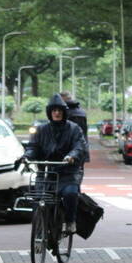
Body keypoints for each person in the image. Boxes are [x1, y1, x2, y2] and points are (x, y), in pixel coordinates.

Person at [23, 94, 87, 234]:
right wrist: (27, 156)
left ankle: (70, 221)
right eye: (54, 110)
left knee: (71, 194)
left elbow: (79, 146)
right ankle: (39, 229)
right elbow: (33, 147)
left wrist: (72, 156)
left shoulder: (74, 129)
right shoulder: (41, 130)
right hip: (46, 173)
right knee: (39, 199)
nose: (57, 113)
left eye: (59, 110)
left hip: (68, 173)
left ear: (64, 112)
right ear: (49, 113)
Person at [60, 91, 90, 164]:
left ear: (62, 99)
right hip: (81, 146)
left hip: (66, 149)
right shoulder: (81, 111)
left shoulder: (63, 112)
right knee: (78, 171)